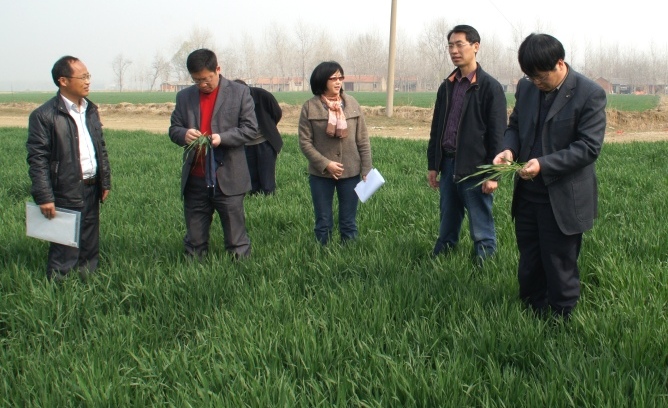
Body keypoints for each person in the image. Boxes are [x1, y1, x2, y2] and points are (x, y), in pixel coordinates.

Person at [493, 33, 606, 319]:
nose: (536, 83)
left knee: (559, 262)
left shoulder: (589, 93)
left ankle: (561, 317)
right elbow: (515, 126)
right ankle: (531, 310)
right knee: (530, 257)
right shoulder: (527, 88)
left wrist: (543, 164)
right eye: (530, 77)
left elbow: (588, 147)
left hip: (562, 196)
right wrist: (508, 149)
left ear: (560, 64)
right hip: (527, 194)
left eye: (541, 77)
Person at [426, 24, 507, 264]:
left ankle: (485, 265)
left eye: (459, 45)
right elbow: (436, 129)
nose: (454, 50)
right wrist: (433, 165)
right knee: (448, 219)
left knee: (480, 223)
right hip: (448, 164)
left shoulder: (490, 87)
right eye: (450, 45)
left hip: (476, 168)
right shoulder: (447, 86)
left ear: (475, 46)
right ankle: (442, 260)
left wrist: (493, 175)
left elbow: (498, 135)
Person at [27, 56, 112, 281]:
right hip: (65, 188)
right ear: (63, 81)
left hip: (91, 186)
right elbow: (38, 159)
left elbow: (100, 147)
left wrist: (104, 181)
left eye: (88, 76)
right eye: (82, 77)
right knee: (64, 245)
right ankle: (60, 288)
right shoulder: (44, 116)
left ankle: (87, 282)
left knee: (89, 242)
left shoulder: (90, 110)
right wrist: (44, 196)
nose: (87, 81)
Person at [169, 49, 259, 259]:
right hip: (196, 178)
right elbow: (174, 129)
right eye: (196, 80)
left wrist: (222, 138)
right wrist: (184, 134)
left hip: (228, 177)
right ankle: (194, 270)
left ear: (217, 69)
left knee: (236, 238)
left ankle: (240, 270)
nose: (202, 84)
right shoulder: (185, 97)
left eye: (206, 79)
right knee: (194, 239)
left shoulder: (239, 92)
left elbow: (250, 129)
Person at [299, 61, 372, 245]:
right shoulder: (310, 107)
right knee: (323, 222)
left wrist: (366, 168)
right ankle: (322, 253)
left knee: (348, 222)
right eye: (333, 78)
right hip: (321, 174)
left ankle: (349, 254)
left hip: (351, 172)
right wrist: (326, 164)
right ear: (322, 80)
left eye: (340, 77)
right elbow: (305, 143)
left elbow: (363, 139)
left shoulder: (352, 104)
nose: (338, 82)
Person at [234, 79, 283, 195]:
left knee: (266, 177)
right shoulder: (232, 101)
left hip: (265, 141)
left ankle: (268, 197)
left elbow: (276, 112)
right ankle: (254, 195)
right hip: (247, 143)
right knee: (252, 176)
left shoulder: (262, 95)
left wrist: (268, 126)